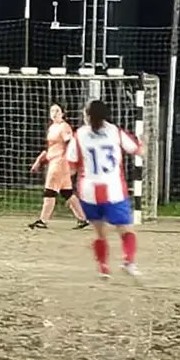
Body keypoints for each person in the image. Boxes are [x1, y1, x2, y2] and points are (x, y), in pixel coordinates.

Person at [65, 99, 144, 278]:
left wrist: (67, 189)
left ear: (87, 116)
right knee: (125, 229)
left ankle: (103, 267)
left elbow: (71, 167)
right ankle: (129, 262)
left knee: (100, 233)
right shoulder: (115, 132)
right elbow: (137, 151)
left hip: (89, 191)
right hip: (114, 189)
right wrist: (142, 143)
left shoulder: (80, 135)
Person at [28, 103, 88, 230]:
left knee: (49, 191)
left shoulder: (64, 127)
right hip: (54, 160)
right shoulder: (52, 127)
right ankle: (82, 218)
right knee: (67, 192)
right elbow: (50, 148)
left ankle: (43, 220)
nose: (54, 113)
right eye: (52, 111)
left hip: (60, 162)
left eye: (57, 111)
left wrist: (73, 162)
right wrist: (39, 160)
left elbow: (71, 144)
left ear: (63, 113)